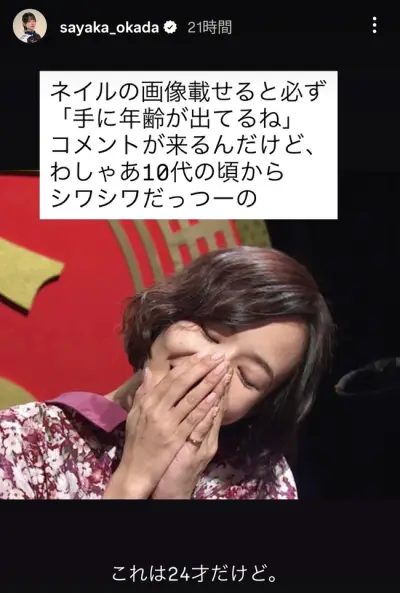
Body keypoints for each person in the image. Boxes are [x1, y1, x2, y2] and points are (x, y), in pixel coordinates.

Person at [0, 246, 334, 499]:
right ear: (168, 316)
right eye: (210, 334)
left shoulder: (260, 482)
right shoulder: (23, 439)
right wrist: (134, 477)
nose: (211, 367)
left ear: (260, 406)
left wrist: (175, 492)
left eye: (248, 377)